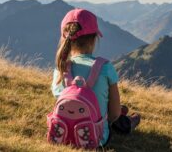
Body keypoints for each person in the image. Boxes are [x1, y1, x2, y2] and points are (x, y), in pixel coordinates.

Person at [51, 8, 140, 147]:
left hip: (61, 136)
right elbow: (114, 115)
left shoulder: (61, 68)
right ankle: (128, 122)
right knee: (118, 115)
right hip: (96, 138)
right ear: (94, 39)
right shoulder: (105, 67)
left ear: (65, 37)